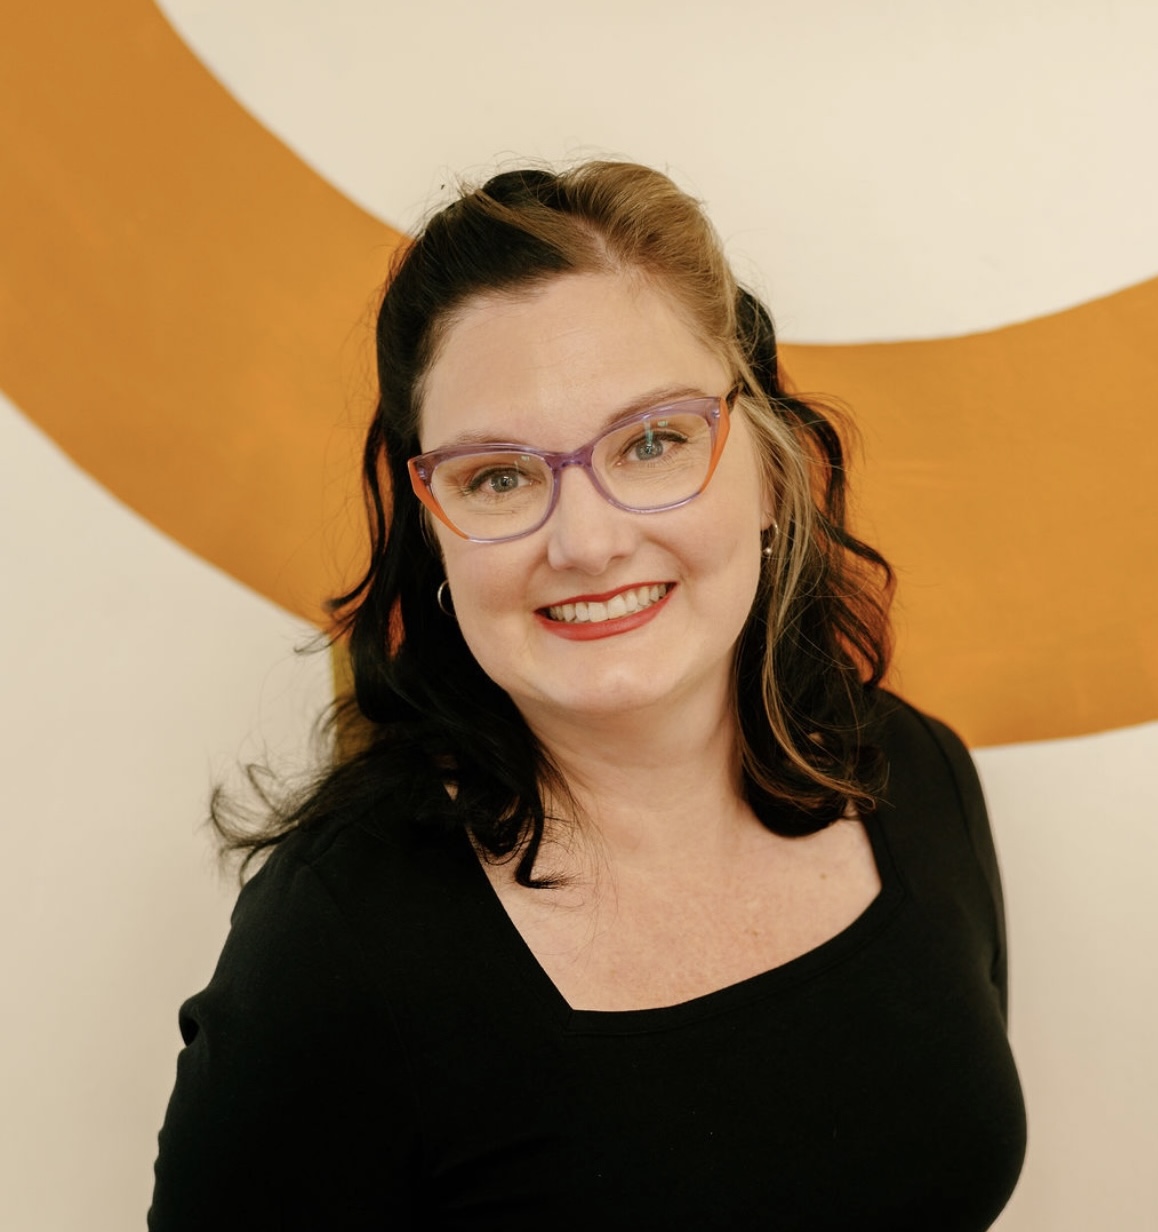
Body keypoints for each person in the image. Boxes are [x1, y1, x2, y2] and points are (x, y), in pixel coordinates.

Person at [149, 161, 1026, 1230]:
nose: (587, 541)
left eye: (652, 441)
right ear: (433, 527)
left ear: (771, 468)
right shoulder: (336, 944)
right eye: (498, 476)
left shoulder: (916, 774)